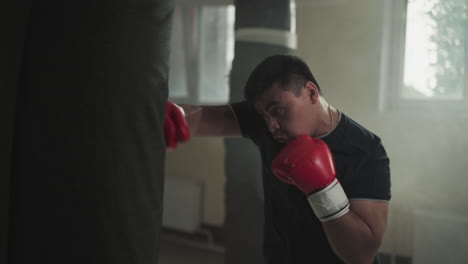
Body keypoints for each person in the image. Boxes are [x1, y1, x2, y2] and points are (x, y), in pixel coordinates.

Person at [165, 54, 391, 264]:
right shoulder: (270, 123)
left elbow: (361, 254)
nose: (271, 126)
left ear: (311, 93)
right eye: (264, 115)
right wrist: (173, 116)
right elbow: (203, 116)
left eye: (278, 110)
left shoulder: (366, 150)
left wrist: (324, 190)